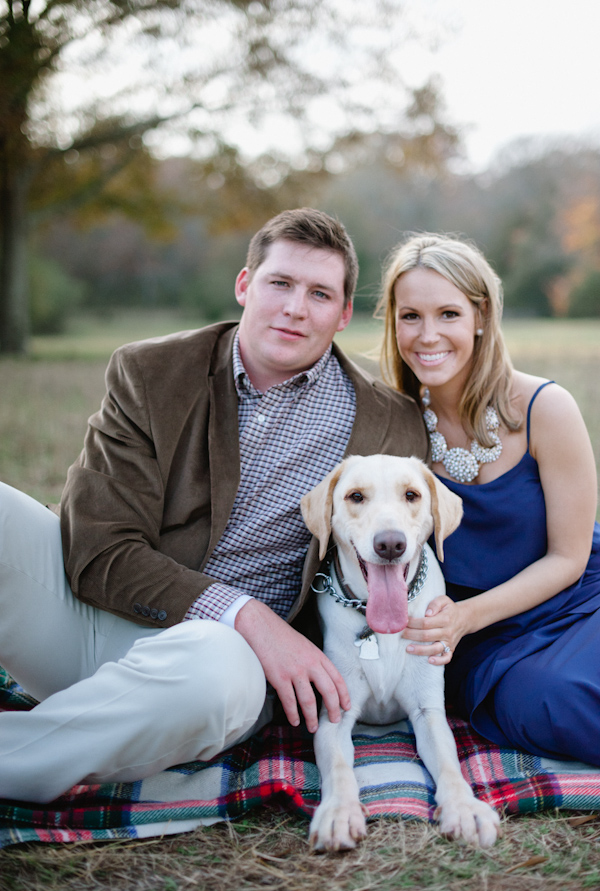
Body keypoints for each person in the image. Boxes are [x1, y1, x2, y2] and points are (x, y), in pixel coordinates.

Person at [0, 208, 428, 802]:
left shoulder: (389, 426)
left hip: (224, 668)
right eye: (280, 283)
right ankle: (94, 722)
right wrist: (245, 611)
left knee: (214, 668)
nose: (295, 307)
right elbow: (98, 549)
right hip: (92, 620)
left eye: (320, 294)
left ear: (343, 314)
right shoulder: (151, 373)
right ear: (245, 285)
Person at [376, 231, 600, 765]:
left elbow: (569, 558)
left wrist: (466, 616)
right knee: (554, 703)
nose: (428, 335)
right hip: (483, 637)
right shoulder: (389, 428)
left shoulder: (546, 406)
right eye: (411, 316)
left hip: (577, 600)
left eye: (448, 314)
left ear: (480, 315)